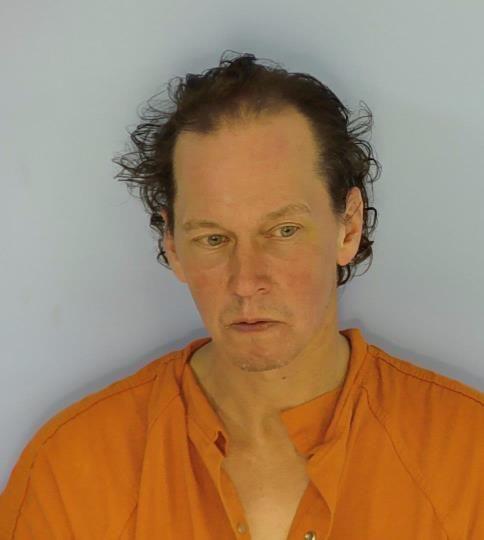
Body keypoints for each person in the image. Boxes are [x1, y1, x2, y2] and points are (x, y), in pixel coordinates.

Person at [1, 51, 482, 540]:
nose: (246, 280)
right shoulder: (70, 471)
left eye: (284, 230)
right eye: (213, 238)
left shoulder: (470, 460)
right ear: (173, 245)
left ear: (349, 226)